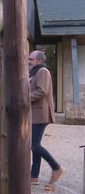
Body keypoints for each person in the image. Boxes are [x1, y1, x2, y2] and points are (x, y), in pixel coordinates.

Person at [28, 50, 65, 185]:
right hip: (35, 114)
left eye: (30, 59)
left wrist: (24, 97)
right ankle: (34, 176)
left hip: (40, 114)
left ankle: (56, 167)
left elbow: (41, 91)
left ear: (39, 60)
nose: (28, 61)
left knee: (34, 144)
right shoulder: (35, 72)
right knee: (34, 144)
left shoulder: (43, 71)